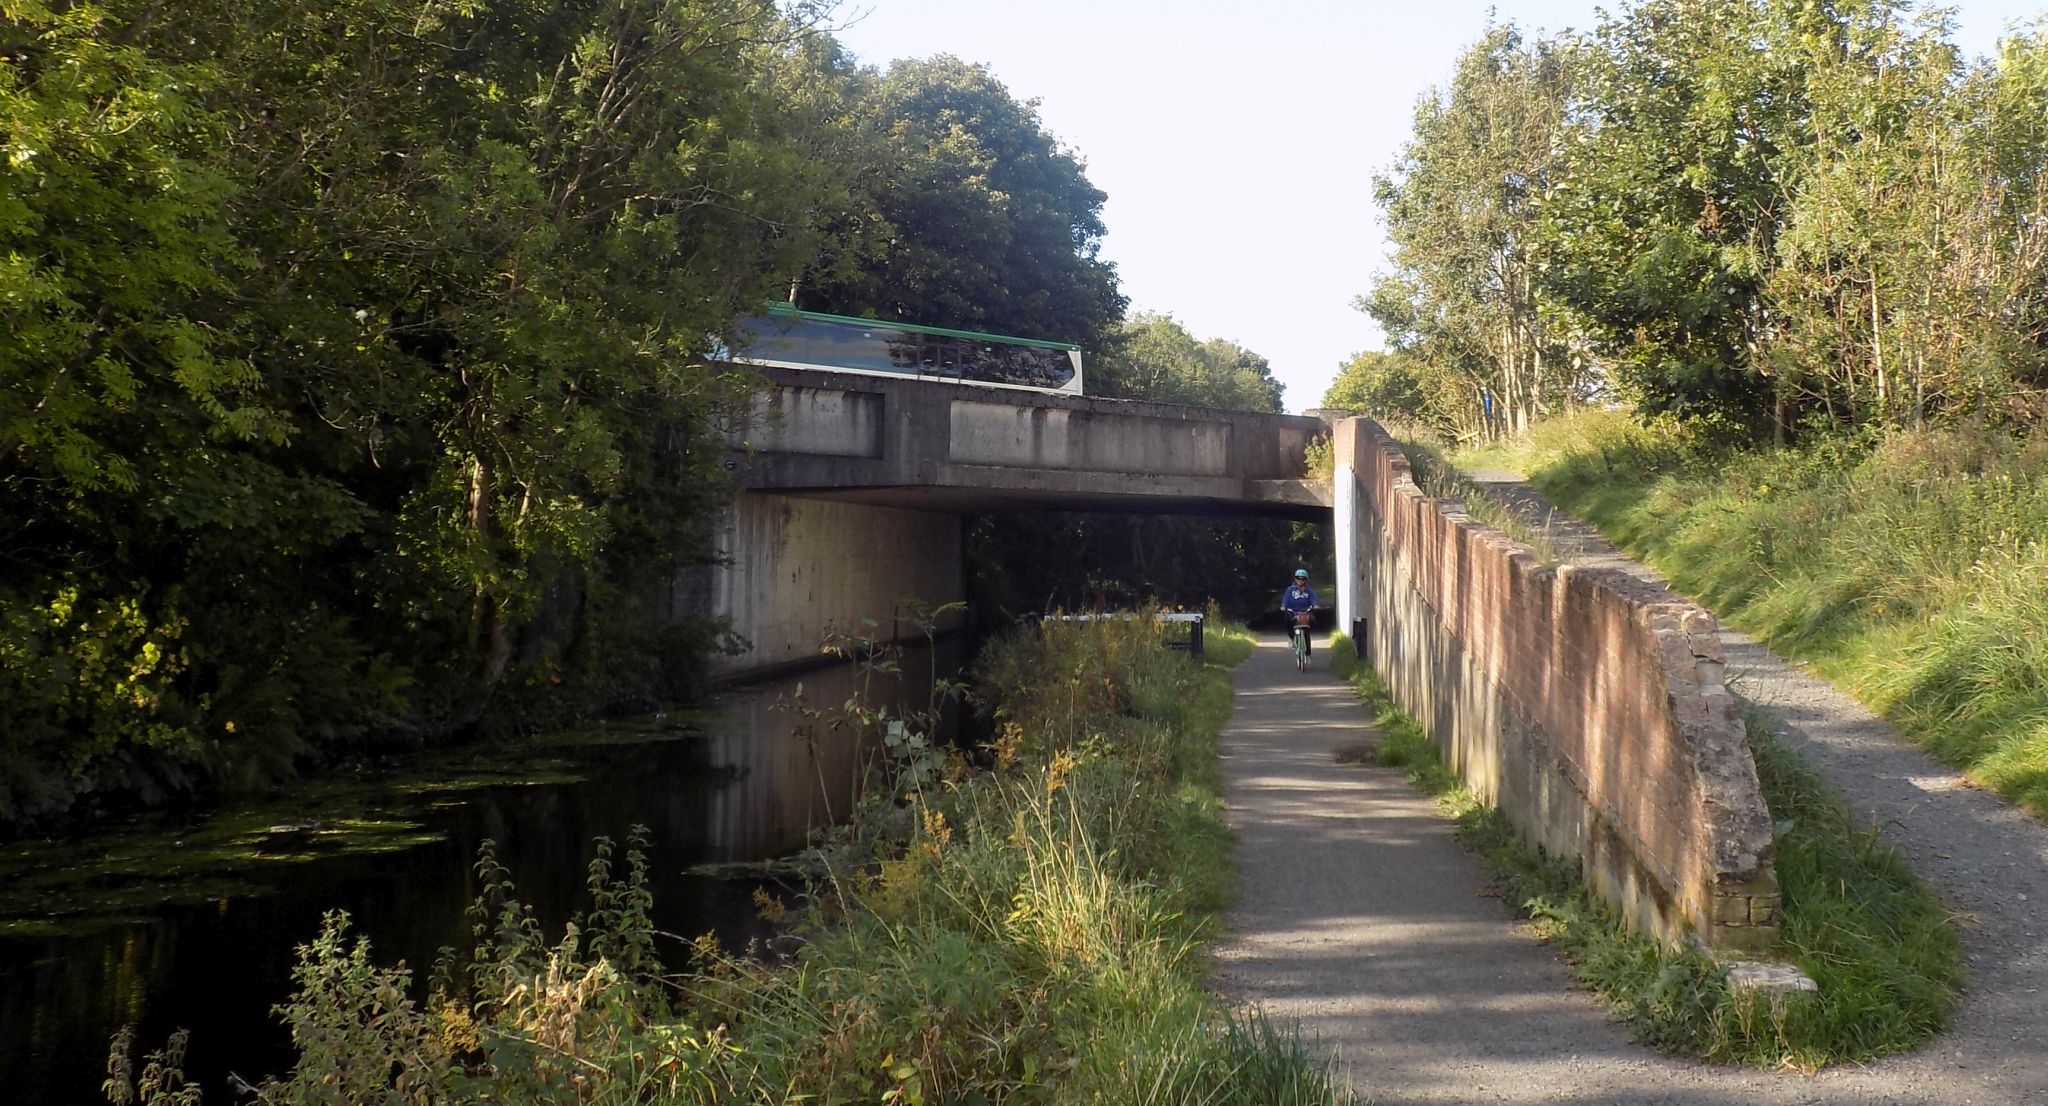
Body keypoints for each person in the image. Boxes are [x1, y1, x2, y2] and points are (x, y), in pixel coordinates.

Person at [1281, 568, 1319, 659]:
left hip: (1305, 612)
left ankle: (1308, 654)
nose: (1300, 580)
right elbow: (1285, 600)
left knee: (1308, 629)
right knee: (1286, 619)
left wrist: (1315, 605)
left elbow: (1314, 600)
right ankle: (1292, 639)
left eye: (1303, 578)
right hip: (1293, 611)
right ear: (1295, 579)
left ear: (1306, 580)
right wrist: (1284, 606)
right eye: (1298, 578)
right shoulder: (1290, 590)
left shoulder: (1309, 591)